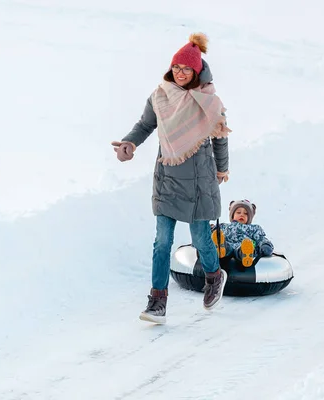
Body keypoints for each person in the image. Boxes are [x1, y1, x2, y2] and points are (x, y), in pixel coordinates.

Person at [111, 33, 231, 324]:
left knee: (201, 239)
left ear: (196, 72)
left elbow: (220, 138)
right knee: (162, 242)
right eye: (176, 68)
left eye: (186, 69)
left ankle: (214, 276)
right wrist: (130, 143)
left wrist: (222, 169)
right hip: (168, 176)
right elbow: (145, 125)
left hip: (200, 180)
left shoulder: (208, 100)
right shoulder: (160, 97)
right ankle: (157, 301)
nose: (179, 73)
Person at [212, 200, 274, 267]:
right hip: (227, 246)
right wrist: (211, 229)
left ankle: (245, 255)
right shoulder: (224, 226)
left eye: (246, 213)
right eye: (238, 212)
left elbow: (261, 238)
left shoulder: (253, 228)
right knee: (222, 242)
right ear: (232, 215)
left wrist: (265, 245)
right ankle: (219, 247)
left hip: (243, 247)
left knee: (242, 250)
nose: (242, 215)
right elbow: (212, 232)